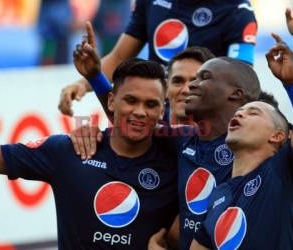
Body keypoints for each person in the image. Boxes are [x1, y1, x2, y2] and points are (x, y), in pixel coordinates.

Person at [71, 24, 263, 248]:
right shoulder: (180, 138)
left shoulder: (259, 141)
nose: (189, 87)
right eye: (178, 81)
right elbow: (128, 117)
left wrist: (289, 85)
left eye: (200, 79)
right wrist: (95, 79)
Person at [0, 59, 182, 249]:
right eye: (131, 100)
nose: (140, 112)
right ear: (111, 101)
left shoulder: (179, 162)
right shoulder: (68, 151)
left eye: (150, 104)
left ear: (161, 111)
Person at [58, 0, 257, 116]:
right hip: (156, 117)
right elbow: (119, 56)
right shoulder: (150, 2)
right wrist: (83, 84)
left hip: (204, 123)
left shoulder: (239, 11)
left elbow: (241, 80)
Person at [190, 100, 292, 250]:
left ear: (277, 136)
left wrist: (289, 84)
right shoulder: (219, 193)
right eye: (239, 111)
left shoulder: (282, 169)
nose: (239, 113)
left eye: (253, 112)